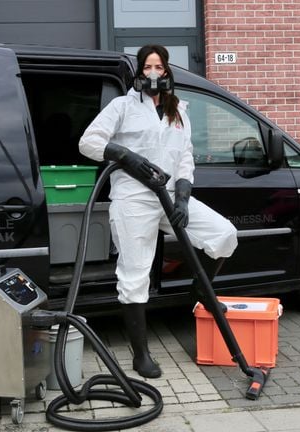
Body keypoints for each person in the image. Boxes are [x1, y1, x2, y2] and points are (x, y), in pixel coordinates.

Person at [78, 45, 238, 378]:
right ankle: (141, 355)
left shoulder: (178, 111)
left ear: (167, 72)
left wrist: (182, 196)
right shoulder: (122, 106)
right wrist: (126, 156)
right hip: (133, 198)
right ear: (139, 72)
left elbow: (185, 158)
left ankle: (200, 290)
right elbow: (88, 142)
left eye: (159, 66)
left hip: (167, 196)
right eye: (148, 66)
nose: (154, 72)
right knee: (135, 276)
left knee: (223, 234)